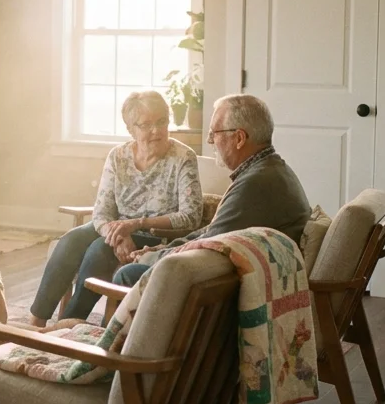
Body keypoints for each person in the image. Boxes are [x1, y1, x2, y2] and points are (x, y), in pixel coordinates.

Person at [29, 91, 203, 324]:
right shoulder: (118, 157)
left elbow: (191, 217)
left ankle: (67, 324)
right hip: (117, 227)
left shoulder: (183, 157)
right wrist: (120, 236)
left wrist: (136, 225)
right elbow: (101, 213)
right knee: (71, 240)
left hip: (156, 234)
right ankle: (36, 322)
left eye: (161, 121)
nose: (156, 131)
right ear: (131, 129)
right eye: (146, 125)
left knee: (100, 249)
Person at [111, 94, 311, 288]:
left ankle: (108, 324)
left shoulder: (255, 184)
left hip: (225, 287)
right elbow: (211, 231)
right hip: (244, 274)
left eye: (214, 133)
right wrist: (162, 249)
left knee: (127, 274)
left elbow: (208, 241)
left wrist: (151, 257)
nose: (209, 141)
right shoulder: (271, 169)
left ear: (239, 138)